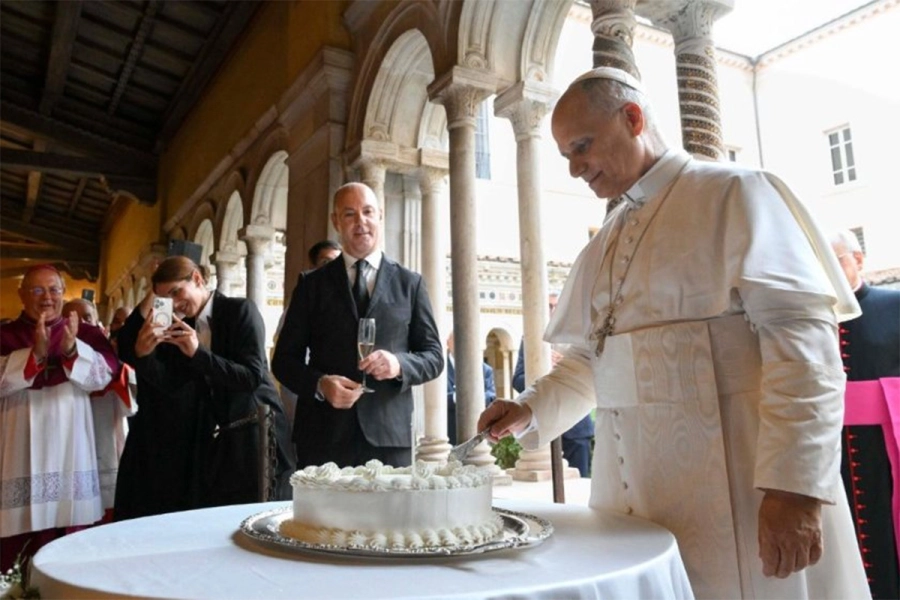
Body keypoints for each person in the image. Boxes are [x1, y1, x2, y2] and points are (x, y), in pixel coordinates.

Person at [477, 66, 869, 599]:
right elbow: (594, 361)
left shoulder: (738, 194)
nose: (574, 170)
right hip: (632, 499)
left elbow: (806, 351)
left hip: (744, 490)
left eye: (582, 147)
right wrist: (529, 409)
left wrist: (795, 489)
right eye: (567, 155)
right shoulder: (604, 243)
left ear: (633, 118)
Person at [272, 182, 443, 468]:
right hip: (323, 436)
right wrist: (320, 384)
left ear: (380, 215)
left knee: (389, 515)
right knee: (323, 516)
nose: (360, 222)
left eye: (367, 212)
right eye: (350, 214)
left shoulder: (410, 283)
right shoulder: (311, 285)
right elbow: (283, 362)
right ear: (335, 221)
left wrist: (399, 364)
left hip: (389, 437)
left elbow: (434, 357)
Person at [114, 256, 295, 520]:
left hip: (254, 431)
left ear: (197, 279)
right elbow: (171, 384)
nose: (175, 304)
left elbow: (251, 378)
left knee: (258, 518)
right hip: (215, 440)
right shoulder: (177, 325)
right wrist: (145, 356)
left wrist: (198, 352)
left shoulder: (240, 310)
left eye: (177, 292)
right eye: (165, 298)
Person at [0, 265, 119, 571]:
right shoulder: (6, 335)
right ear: (22, 294)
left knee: (69, 525)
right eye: (37, 290)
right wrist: (34, 356)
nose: (47, 298)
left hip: (72, 446)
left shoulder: (87, 334)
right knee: (20, 531)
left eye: (53, 290)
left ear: (62, 294)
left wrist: (70, 349)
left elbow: (104, 376)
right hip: (19, 448)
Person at [830, 229, 900, 599]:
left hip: (888, 450)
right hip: (835, 452)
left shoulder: (895, 305)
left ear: (858, 260)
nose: (829, 271)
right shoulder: (812, 320)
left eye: (837, 260)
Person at [62, 298, 137, 517]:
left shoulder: (109, 349)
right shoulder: (57, 349)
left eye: (87, 317)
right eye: (73, 318)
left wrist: (118, 374)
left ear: (97, 319)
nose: (83, 324)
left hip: (106, 424)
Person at [512, 294, 594, 477]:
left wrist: (566, 364)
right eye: (548, 306)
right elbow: (517, 379)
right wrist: (545, 368)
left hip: (577, 429)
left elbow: (591, 368)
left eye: (556, 306)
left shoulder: (578, 335)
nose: (552, 310)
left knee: (580, 486)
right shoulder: (531, 338)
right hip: (540, 427)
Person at [274, 239, 343, 425]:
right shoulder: (303, 299)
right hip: (306, 394)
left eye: (339, 261)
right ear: (313, 266)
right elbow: (285, 356)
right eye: (327, 262)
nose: (334, 268)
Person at [445, 331, 496, 445]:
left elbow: (491, 396)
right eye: (457, 341)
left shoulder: (485, 370)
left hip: (475, 431)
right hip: (448, 434)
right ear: (448, 343)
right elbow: (435, 400)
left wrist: (474, 396)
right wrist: (457, 397)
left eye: (465, 341)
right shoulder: (440, 369)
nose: (461, 345)